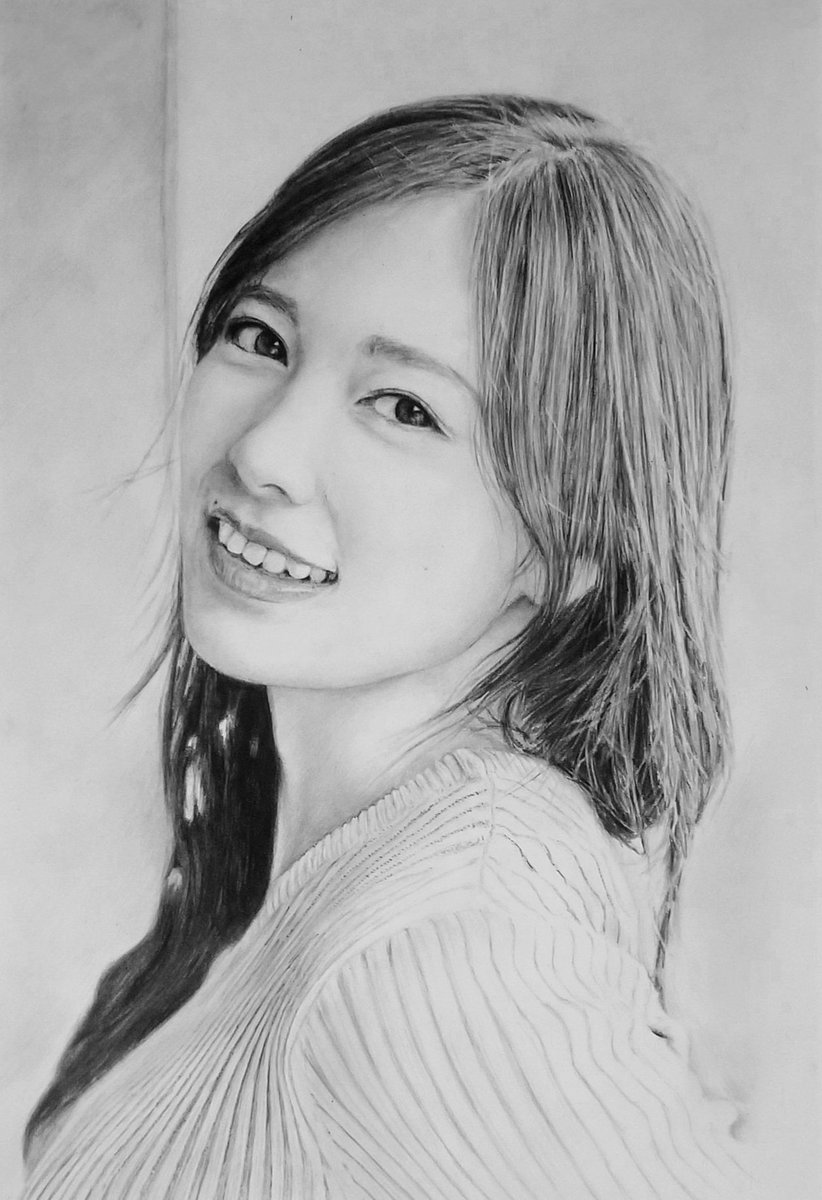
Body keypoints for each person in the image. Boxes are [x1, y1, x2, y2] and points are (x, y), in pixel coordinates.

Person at [20, 94, 748, 1199]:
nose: (264, 452)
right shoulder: (335, 872)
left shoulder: (452, 945)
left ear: (575, 544)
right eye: (261, 338)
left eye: (404, 407)